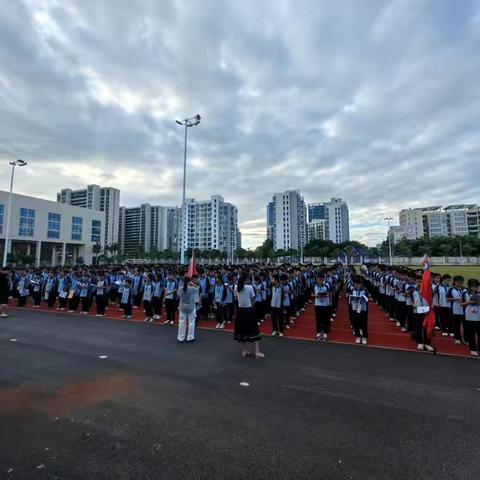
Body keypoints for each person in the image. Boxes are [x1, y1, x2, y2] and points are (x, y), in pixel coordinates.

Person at [234, 274, 264, 359]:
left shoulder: (236, 287)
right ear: (245, 280)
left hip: (240, 311)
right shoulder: (249, 287)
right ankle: (257, 352)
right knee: (254, 330)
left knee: (241, 330)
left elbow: (236, 298)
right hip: (248, 310)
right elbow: (253, 300)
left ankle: (245, 350)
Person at [411, 275, 435, 352]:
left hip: (426, 311)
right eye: (417, 281)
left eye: (420, 281)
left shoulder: (428, 290)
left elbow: (432, 298)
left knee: (427, 328)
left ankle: (428, 344)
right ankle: (420, 342)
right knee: (418, 327)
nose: (419, 283)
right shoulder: (412, 290)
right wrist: (413, 304)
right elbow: (410, 299)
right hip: (417, 311)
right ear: (415, 282)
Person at [462, 279, 480, 357]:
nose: (474, 288)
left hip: (478, 316)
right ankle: (473, 349)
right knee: (471, 334)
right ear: (469, 286)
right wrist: (469, 302)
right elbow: (461, 303)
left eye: (476, 286)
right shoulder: (465, 293)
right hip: (469, 316)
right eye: (472, 286)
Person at [177, 276, 198, 343]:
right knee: (191, 323)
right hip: (191, 307)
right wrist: (193, 284)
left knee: (181, 323)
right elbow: (198, 288)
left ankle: (181, 337)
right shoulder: (192, 288)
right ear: (189, 281)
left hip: (182, 307)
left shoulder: (180, 289)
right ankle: (190, 337)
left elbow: (178, 295)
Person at [350, 276, 369, 345]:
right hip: (355, 308)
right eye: (355, 284)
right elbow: (350, 298)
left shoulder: (364, 290)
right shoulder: (352, 290)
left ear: (361, 284)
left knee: (364, 323)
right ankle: (357, 336)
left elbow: (367, 299)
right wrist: (352, 298)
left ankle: (364, 337)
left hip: (363, 309)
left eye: (358, 284)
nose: (357, 285)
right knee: (356, 323)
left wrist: (362, 298)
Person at [314, 273, 331, 341]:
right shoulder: (314, 286)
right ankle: (318, 332)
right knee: (318, 319)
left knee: (326, 319)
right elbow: (311, 294)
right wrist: (316, 296)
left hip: (325, 305)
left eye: (322, 279)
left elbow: (329, 293)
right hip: (318, 305)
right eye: (319, 279)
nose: (320, 280)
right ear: (317, 279)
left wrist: (329, 301)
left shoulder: (326, 286)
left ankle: (325, 333)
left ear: (324, 279)